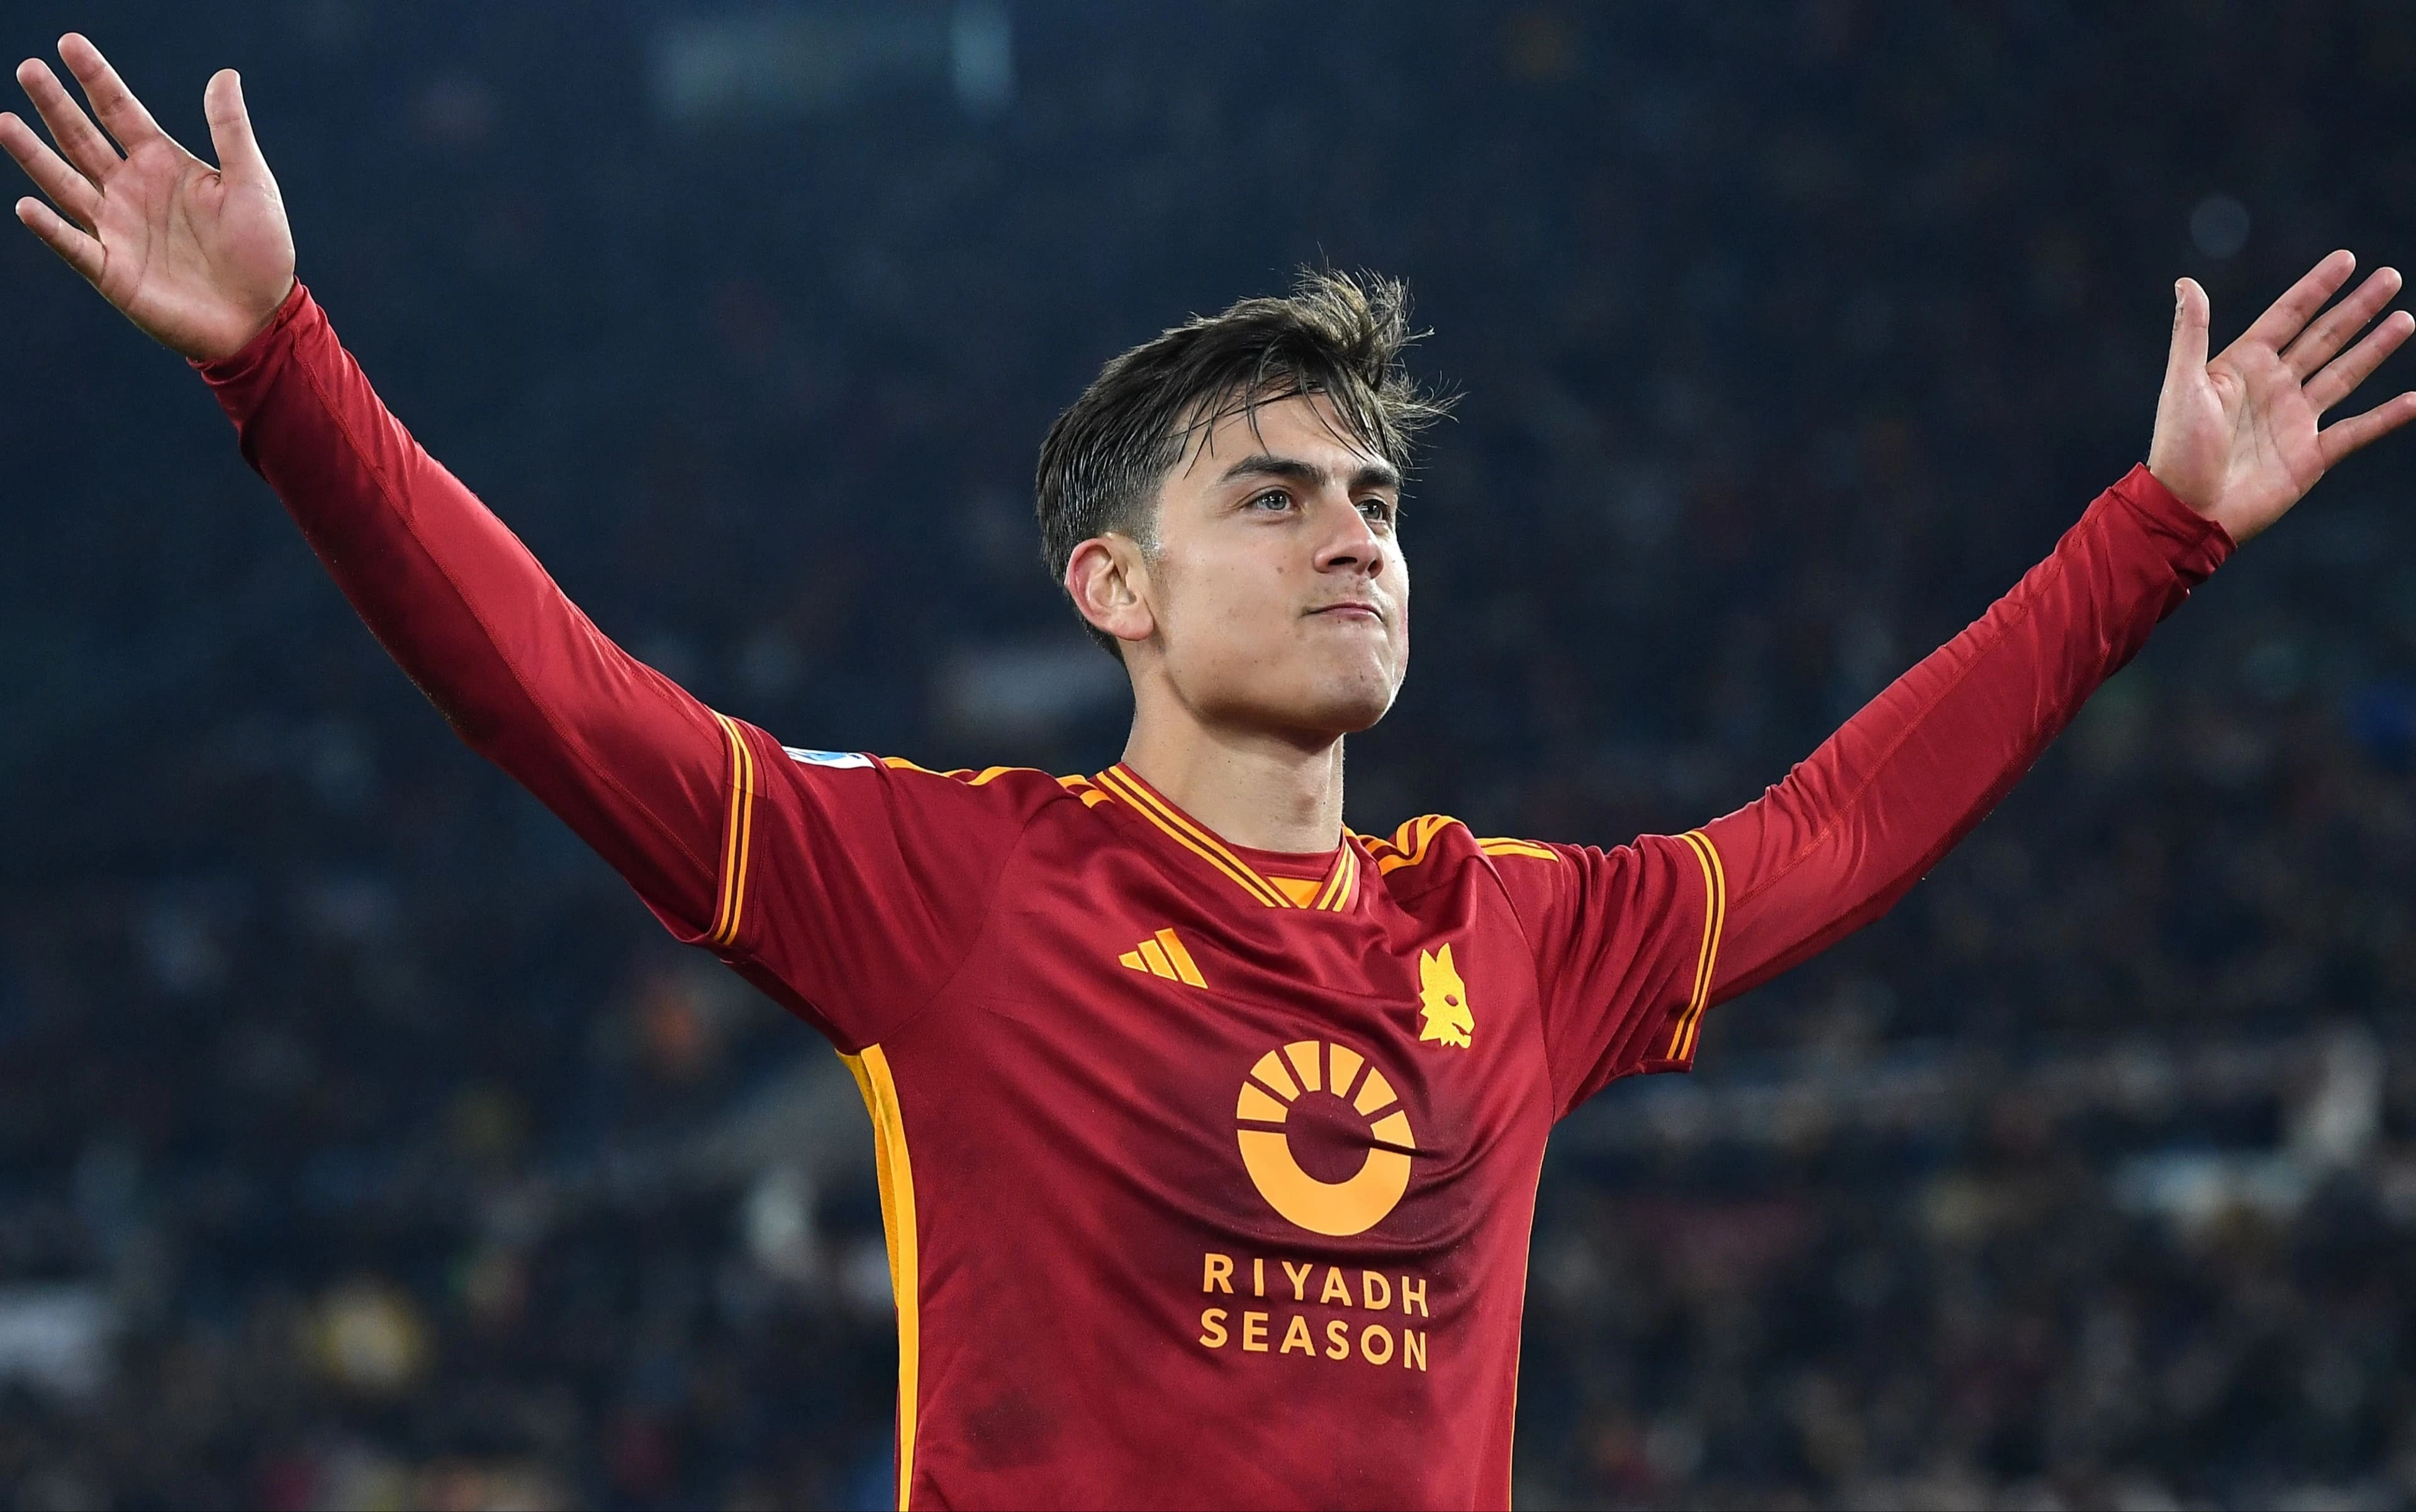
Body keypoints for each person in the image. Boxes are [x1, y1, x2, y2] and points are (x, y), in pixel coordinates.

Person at [6, 33, 2412, 1511]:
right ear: (1114, 589)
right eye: (1274, 496)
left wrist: (2159, 529)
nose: (1354, 536)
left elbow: (1845, 825)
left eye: (1377, 499)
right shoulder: (954, 888)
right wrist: (279, 364)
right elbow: (558, 696)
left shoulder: (1517, 937)